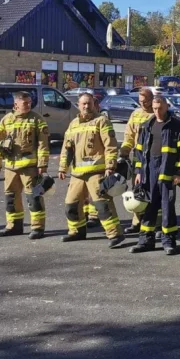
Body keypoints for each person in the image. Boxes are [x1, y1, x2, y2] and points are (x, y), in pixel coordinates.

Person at [58, 93, 124, 248]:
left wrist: (110, 166)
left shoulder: (102, 121)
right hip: (77, 174)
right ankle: (77, 231)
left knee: (102, 205)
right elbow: (66, 148)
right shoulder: (73, 124)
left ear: (94, 104)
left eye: (89, 103)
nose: (86, 107)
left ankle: (115, 234)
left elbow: (110, 146)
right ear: (78, 105)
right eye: (83, 104)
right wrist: (62, 167)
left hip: (97, 172)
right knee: (71, 205)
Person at [130, 93, 180, 254]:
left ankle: (168, 241)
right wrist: (139, 172)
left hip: (167, 170)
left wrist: (177, 172)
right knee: (148, 206)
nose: (157, 112)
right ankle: (145, 241)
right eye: (154, 108)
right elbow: (140, 151)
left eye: (160, 108)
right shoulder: (148, 124)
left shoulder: (175, 125)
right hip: (149, 170)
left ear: (167, 106)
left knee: (167, 206)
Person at [0, 91, 51, 239]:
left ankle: (37, 228)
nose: (29, 105)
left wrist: (42, 164)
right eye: (25, 103)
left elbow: (43, 143)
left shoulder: (37, 119)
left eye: (30, 102)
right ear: (15, 104)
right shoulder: (6, 120)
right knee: (11, 198)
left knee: (34, 198)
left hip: (30, 168)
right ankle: (14, 226)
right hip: (11, 167)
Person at [121, 88, 154, 236]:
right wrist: (124, 151)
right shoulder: (135, 114)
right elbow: (129, 136)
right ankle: (136, 221)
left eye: (145, 101)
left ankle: (153, 223)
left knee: (152, 191)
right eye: (140, 101)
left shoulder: (157, 113)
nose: (143, 104)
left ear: (152, 98)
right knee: (137, 191)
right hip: (138, 159)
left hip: (153, 159)